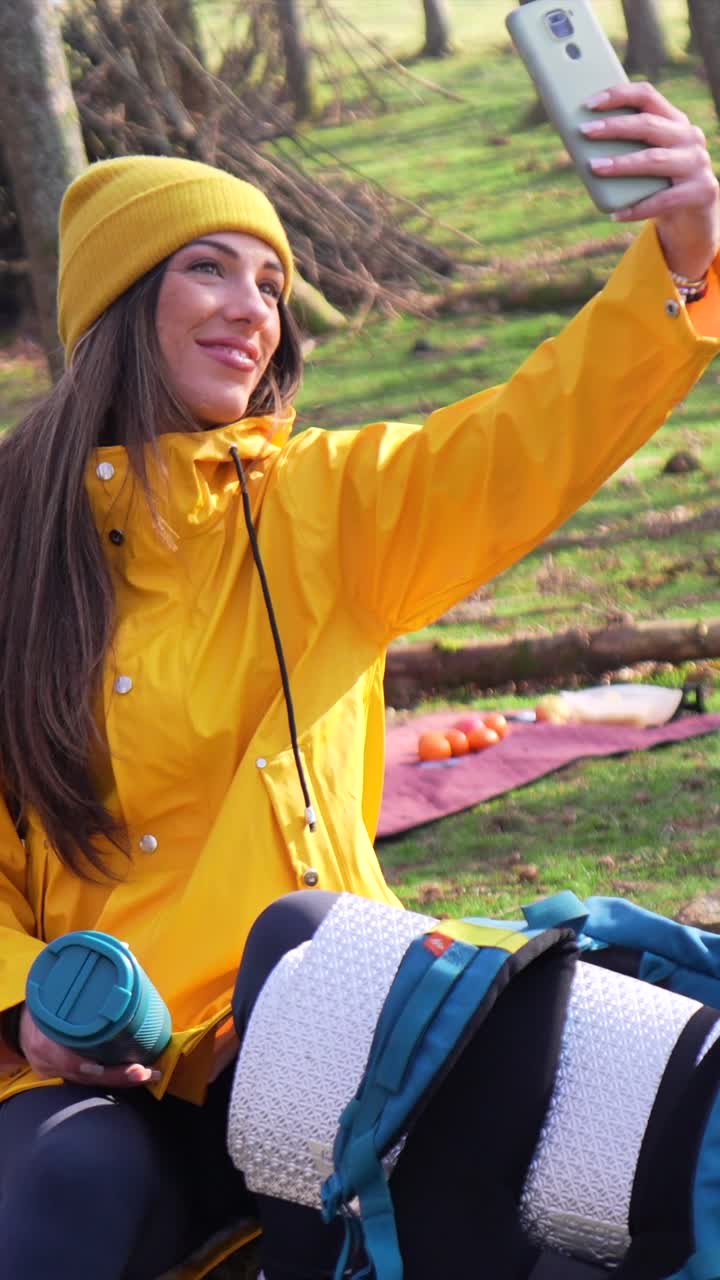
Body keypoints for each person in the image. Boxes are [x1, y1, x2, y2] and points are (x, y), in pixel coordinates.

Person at [0, 80, 718, 1280]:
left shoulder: (328, 507)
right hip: (100, 1057)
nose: (254, 311)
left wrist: (682, 269)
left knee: (310, 973)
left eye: (273, 284)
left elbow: (531, 434)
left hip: (318, 1023)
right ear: (122, 303)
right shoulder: (17, 553)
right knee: (59, 1190)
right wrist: (24, 1004)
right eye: (209, 270)